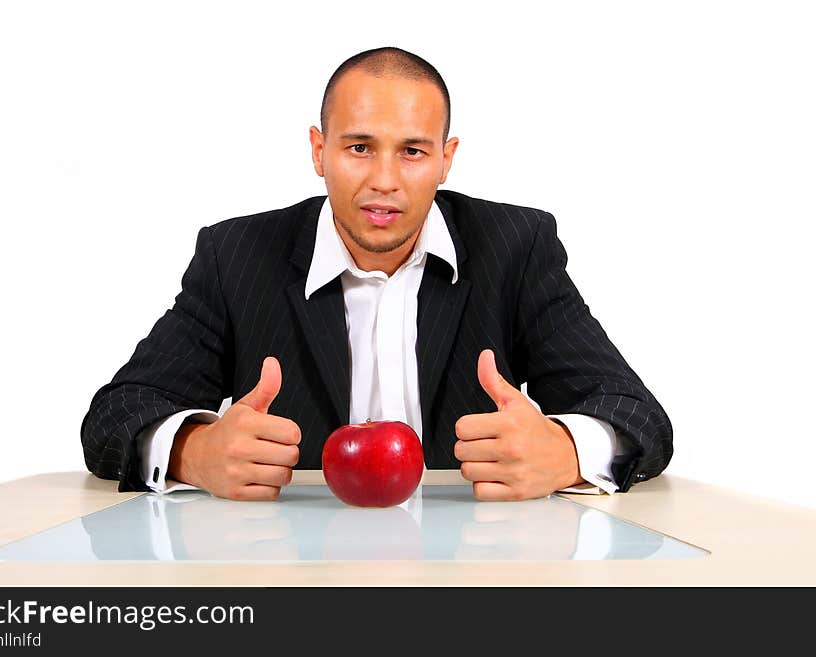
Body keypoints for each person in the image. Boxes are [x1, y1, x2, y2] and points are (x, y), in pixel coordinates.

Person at [80, 47, 672, 502]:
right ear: (319, 151)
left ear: (447, 158)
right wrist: (192, 450)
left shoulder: (515, 247)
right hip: (289, 573)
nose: (384, 180)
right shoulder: (235, 253)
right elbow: (115, 413)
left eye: (412, 152)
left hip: (473, 575)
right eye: (359, 147)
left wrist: (567, 453)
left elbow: (638, 414)